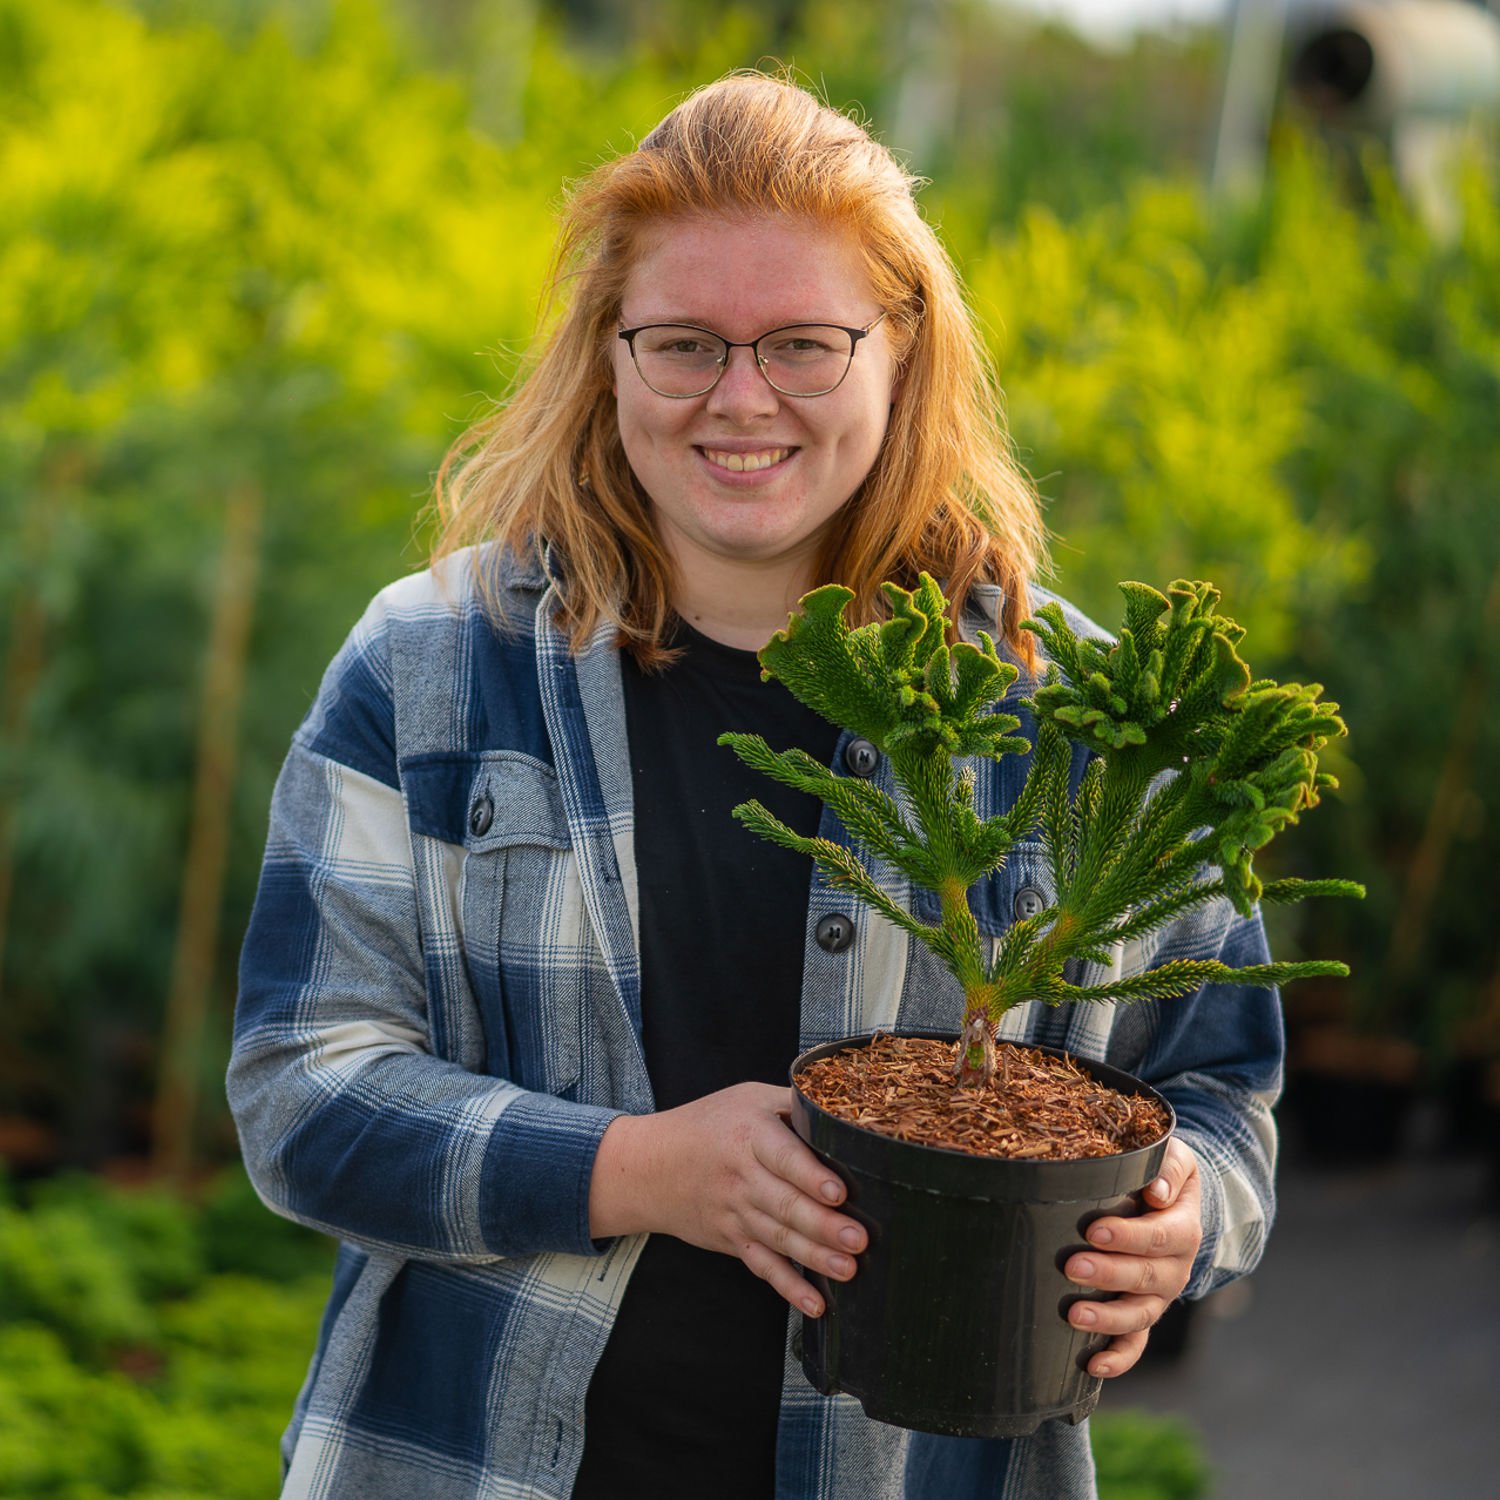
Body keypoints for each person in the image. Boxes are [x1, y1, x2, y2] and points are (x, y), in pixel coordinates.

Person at [229, 71, 1282, 1500]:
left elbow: (1222, 1094)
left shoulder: (1075, 711)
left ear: (902, 354)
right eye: (682, 344)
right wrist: (636, 1169)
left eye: (804, 343)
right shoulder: (430, 669)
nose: (741, 400)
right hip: (469, 1458)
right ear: (606, 354)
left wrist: (1181, 1218)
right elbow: (302, 1090)